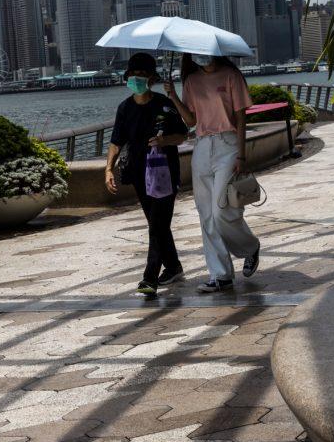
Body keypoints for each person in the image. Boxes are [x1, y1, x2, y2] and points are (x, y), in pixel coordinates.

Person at [166, 53, 261, 293]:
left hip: (227, 146)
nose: (201, 56)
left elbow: (241, 119)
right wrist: (173, 95)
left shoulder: (231, 76)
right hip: (201, 146)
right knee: (206, 213)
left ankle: (249, 248)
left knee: (221, 211)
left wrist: (242, 155)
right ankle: (221, 275)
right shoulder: (191, 81)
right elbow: (190, 120)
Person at [105, 53, 189, 295]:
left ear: (151, 78)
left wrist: (164, 140)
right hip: (138, 174)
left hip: (165, 173)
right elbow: (116, 141)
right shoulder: (124, 108)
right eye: (134, 75)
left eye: (142, 75)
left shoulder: (164, 104)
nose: (137, 79)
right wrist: (108, 168)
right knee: (157, 223)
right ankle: (173, 266)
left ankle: (150, 278)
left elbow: (183, 135)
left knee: (157, 225)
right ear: (127, 76)